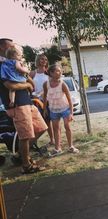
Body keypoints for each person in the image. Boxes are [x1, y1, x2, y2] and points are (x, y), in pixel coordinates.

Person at [0, 38, 47, 174]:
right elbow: (10, 85)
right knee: (25, 135)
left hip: (27, 101)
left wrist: (28, 79)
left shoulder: (14, 63)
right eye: (11, 47)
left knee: (41, 127)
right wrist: (27, 84)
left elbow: (26, 77)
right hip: (17, 105)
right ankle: (26, 166)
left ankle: (21, 155)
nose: (14, 49)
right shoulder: (2, 66)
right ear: (2, 48)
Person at [43, 64, 79, 157]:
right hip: (53, 110)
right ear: (51, 73)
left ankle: (71, 146)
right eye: (58, 71)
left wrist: (71, 113)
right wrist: (44, 109)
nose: (60, 72)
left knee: (67, 126)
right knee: (56, 129)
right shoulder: (46, 84)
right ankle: (57, 148)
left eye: (60, 71)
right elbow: (45, 97)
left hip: (65, 109)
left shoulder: (62, 84)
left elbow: (69, 99)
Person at [29, 54, 54, 145]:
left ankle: (52, 139)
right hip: (35, 101)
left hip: (47, 100)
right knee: (36, 121)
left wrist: (42, 94)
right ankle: (34, 141)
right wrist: (32, 94)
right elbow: (29, 86)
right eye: (42, 59)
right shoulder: (32, 73)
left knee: (47, 120)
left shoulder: (48, 72)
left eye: (46, 59)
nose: (44, 61)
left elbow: (51, 86)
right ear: (38, 60)